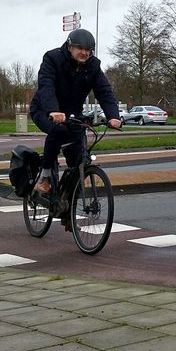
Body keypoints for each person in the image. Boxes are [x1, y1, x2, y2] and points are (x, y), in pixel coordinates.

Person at [28, 28, 122, 227]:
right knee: (58, 130)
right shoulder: (52, 58)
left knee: (78, 161)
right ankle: (45, 177)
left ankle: (67, 212)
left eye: (89, 49)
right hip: (45, 109)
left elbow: (104, 91)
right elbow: (46, 86)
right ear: (70, 47)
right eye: (80, 48)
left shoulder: (93, 66)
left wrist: (113, 116)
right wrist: (53, 110)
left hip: (72, 114)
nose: (85, 53)